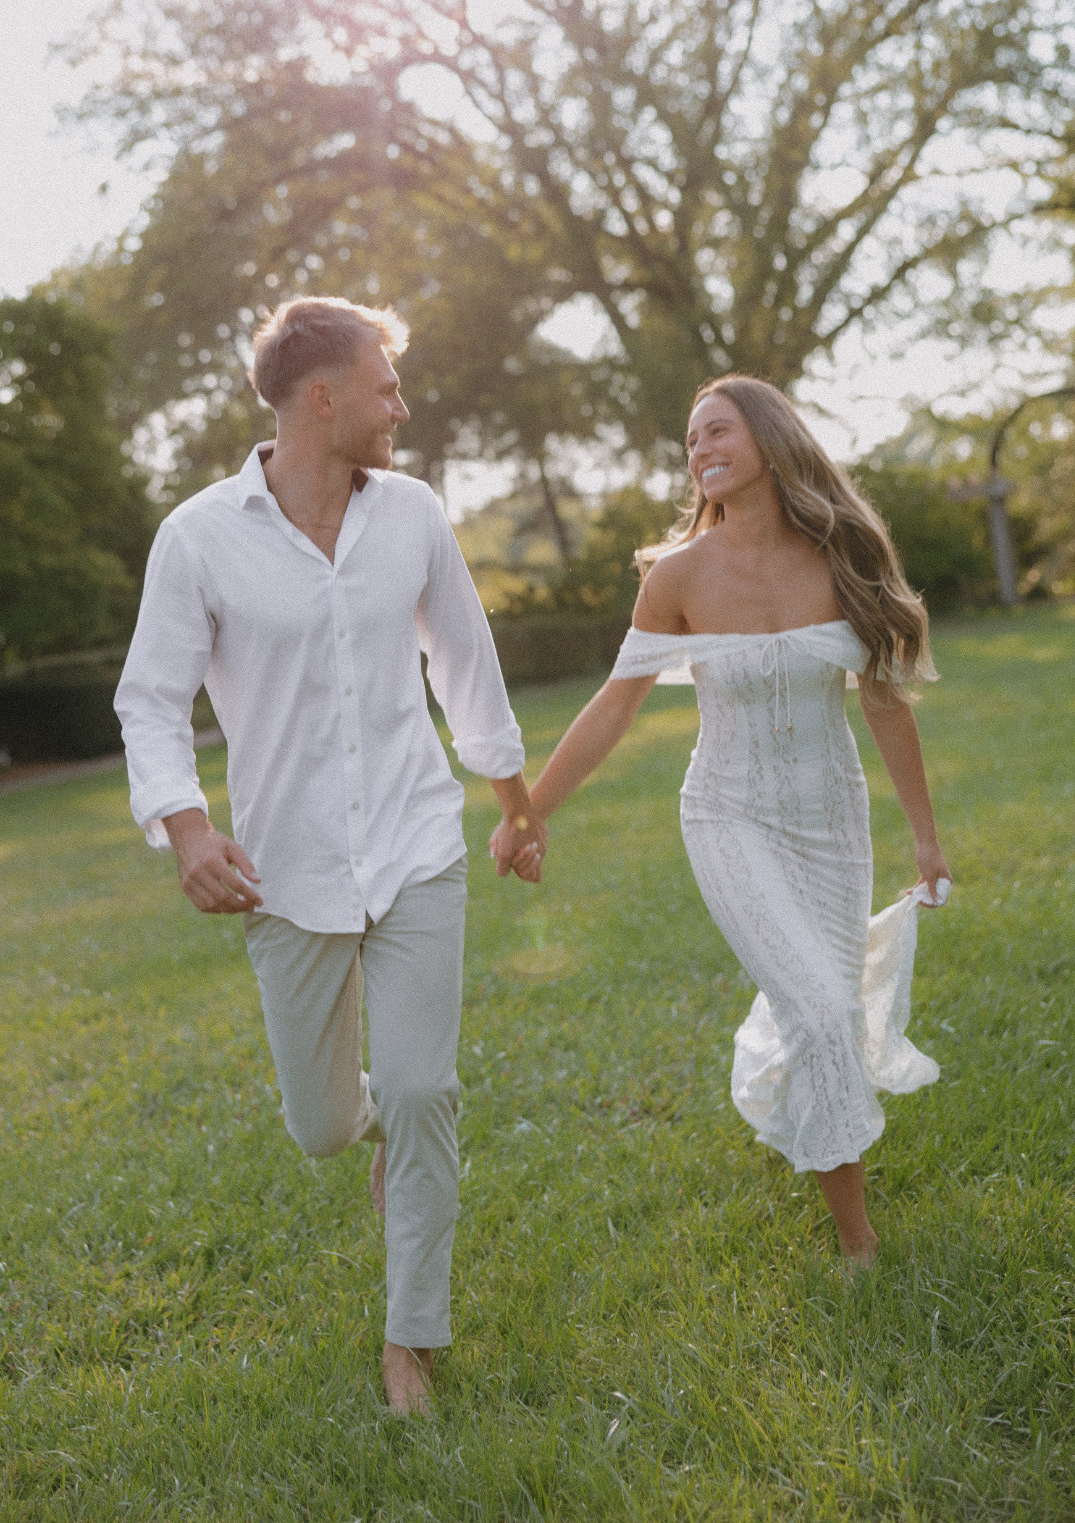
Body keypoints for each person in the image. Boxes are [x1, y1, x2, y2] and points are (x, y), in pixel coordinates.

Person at [115, 296, 547, 1416]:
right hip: (286, 868)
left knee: (425, 1087)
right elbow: (150, 702)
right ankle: (376, 1133)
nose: (402, 406)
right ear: (324, 397)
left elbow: (465, 665)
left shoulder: (410, 514)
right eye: (387, 386)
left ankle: (412, 1343)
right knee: (322, 1122)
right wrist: (188, 826)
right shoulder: (199, 537)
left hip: (414, 841)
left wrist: (514, 803)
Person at [500, 376, 951, 1266]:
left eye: (717, 430)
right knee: (821, 1012)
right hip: (727, 813)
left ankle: (816, 1125)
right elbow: (614, 705)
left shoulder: (844, 554)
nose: (699, 448)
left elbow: (886, 704)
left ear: (771, 438)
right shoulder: (677, 577)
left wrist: (925, 837)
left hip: (832, 820)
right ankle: (858, 1245)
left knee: (822, 1012)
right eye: (690, 439)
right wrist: (526, 811)